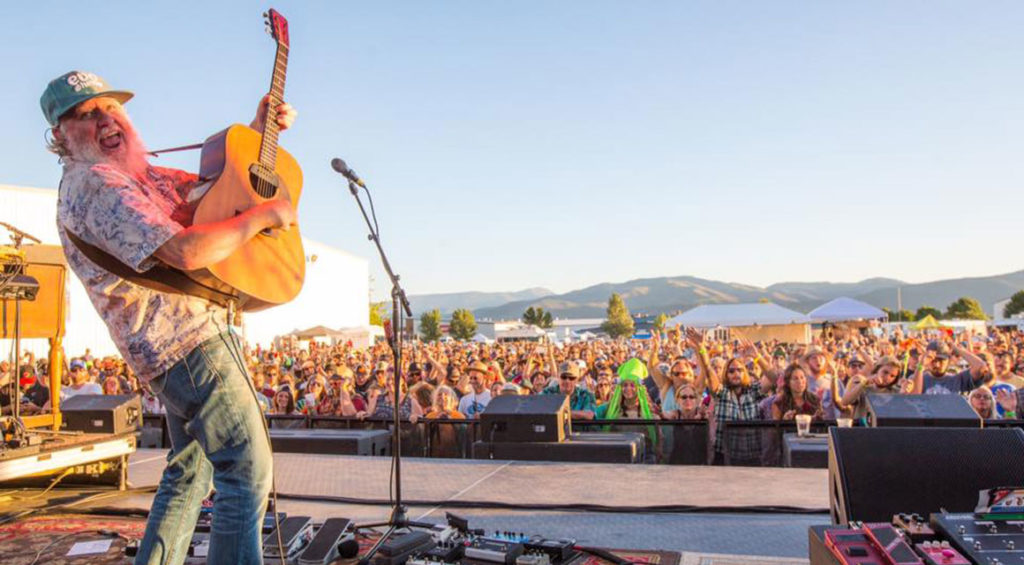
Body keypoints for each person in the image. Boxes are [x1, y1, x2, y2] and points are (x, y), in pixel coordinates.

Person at [43, 69, 296, 564]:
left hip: (182, 345)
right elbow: (184, 251)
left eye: (111, 108)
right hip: (188, 345)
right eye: (87, 114)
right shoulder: (95, 185)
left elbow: (216, 191)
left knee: (191, 470)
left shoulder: (131, 175)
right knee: (246, 469)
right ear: (59, 135)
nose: (106, 119)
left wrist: (259, 130)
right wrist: (264, 217)